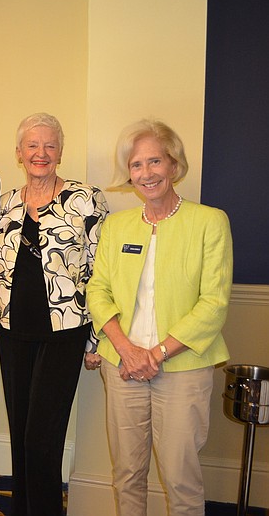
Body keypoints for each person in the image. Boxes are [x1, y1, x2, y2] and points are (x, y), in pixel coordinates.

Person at [85, 119, 232, 516]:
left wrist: (155, 354)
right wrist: (127, 350)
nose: (146, 173)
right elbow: (97, 291)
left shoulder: (209, 222)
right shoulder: (116, 226)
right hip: (123, 367)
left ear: (174, 164)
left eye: (155, 161)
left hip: (183, 368)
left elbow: (213, 304)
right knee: (127, 474)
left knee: (181, 479)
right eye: (136, 165)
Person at [0, 113, 108, 516]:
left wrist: (97, 339)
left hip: (64, 333)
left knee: (43, 440)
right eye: (32, 145)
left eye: (49, 145)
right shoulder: (5, 203)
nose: (40, 153)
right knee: (21, 438)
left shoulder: (85, 199)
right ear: (19, 152)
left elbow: (101, 272)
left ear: (60, 152)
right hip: (12, 332)